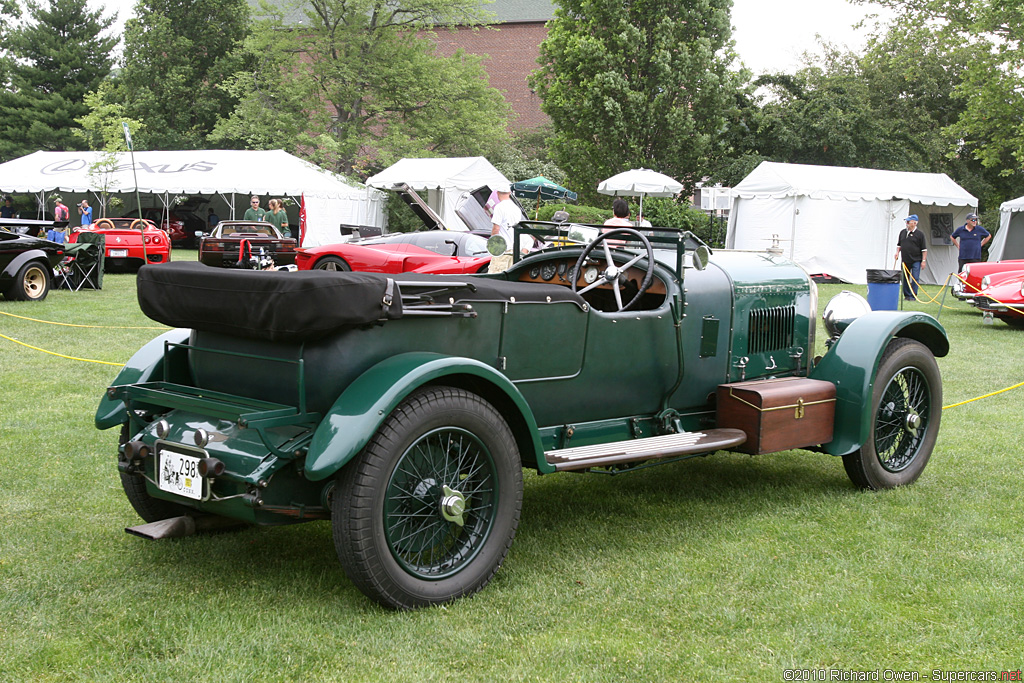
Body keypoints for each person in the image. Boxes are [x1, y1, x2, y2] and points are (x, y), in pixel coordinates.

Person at [488, 183, 525, 274]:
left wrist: (493, 246)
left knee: (496, 275)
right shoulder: (516, 208)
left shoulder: (499, 207)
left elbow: (496, 228)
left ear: (497, 193)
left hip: (503, 250)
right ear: (509, 193)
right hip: (515, 249)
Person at [895, 214, 927, 301]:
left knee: (915, 277)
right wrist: (897, 253)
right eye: (906, 221)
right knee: (905, 278)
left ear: (915, 223)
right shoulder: (903, 232)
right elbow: (899, 245)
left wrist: (923, 261)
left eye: (909, 222)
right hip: (905, 260)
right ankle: (907, 295)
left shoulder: (920, 234)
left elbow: (924, 249)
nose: (907, 223)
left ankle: (913, 295)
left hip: (916, 260)